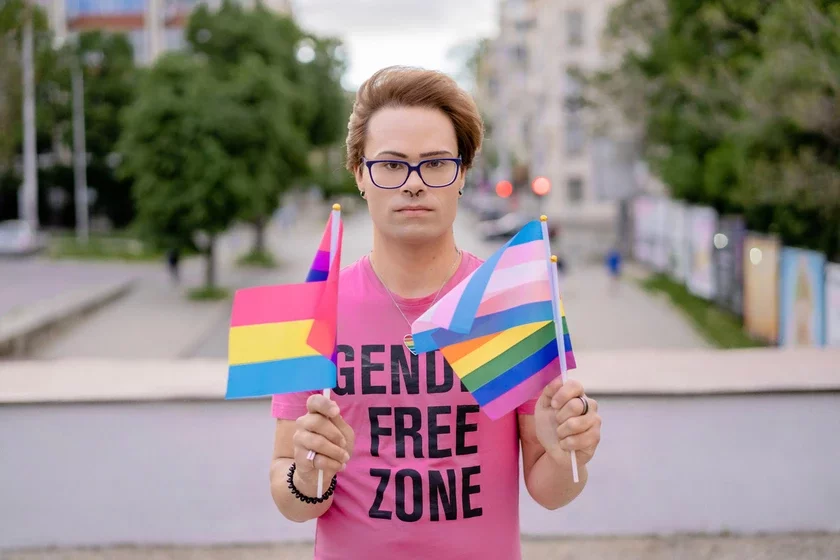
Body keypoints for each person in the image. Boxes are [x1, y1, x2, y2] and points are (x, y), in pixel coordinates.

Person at [269, 67, 602, 560]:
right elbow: (291, 499)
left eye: (436, 164)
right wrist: (308, 474)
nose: (413, 184)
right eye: (391, 165)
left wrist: (566, 453)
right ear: (360, 174)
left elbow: (550, 491)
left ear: (462, 174)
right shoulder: (314, 308)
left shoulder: (514, 304)